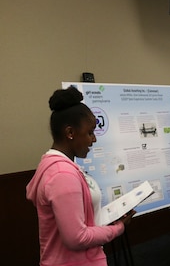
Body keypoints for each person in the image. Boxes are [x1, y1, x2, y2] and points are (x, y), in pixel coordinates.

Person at [26, 86, 135, 266]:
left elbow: (79, 220)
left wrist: (109, 219)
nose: (94, 139)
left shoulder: (59, 166)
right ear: (70, 133)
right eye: (90, 132)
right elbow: (77, 238)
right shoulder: (62, 175)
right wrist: (117, 228)